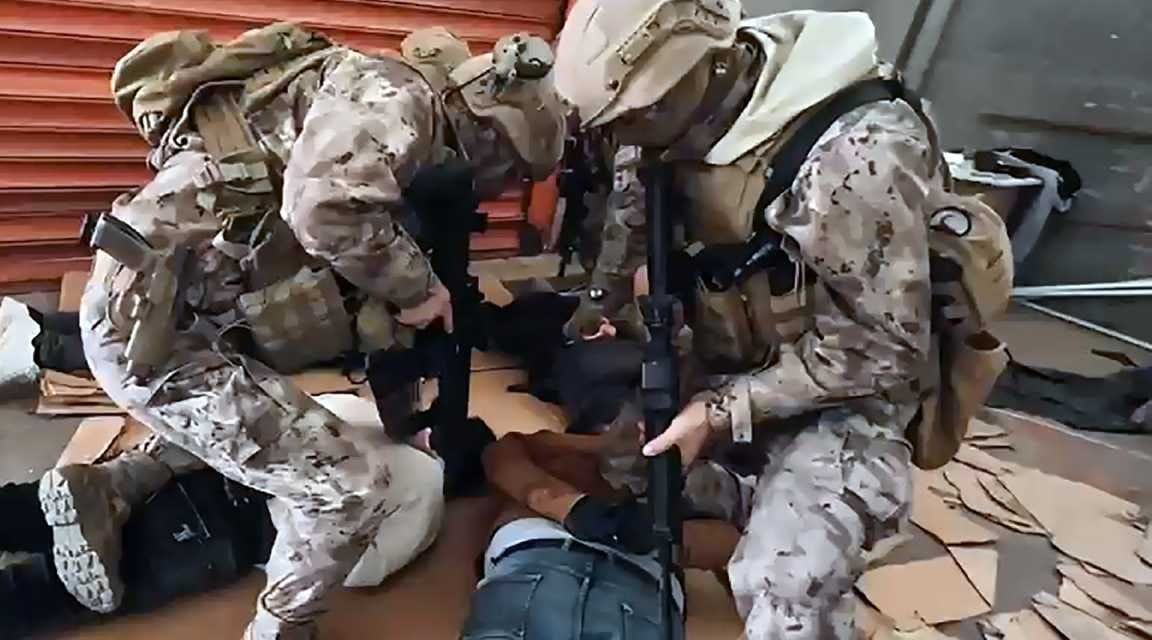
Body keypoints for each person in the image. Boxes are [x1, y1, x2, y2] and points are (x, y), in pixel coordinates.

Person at [70, 22, 565, 640]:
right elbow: (322, 210)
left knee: (270, 406)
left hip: (170, 310)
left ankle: (114, 485)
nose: (498, 186)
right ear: (493, 138)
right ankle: (279, 629)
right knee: (349, 491)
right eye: (511, 171)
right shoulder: (401, 101)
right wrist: (417, 288)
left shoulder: (363, 91)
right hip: (153, 340)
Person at [555, 1, 944, 637]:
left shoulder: (856, 154)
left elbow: (883, 350)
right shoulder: (659, 120)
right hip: (730, 355)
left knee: (782, 584)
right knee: (630, 463)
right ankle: (756, 497)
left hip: (846, 394)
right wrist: (599, 304)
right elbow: (631, 220)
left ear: (702, 66)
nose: (626, 137)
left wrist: (716, 413)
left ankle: (804, 517)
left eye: (637, 117)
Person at [0, 395, 447, 640]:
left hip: (184, 477)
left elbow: (244, 419)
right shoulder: (427, 499)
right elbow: (353, 570)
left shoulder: (358, 410)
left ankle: (102, 494)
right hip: (222, 532)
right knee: (27, 594)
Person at [466, 418, 742, 640]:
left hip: (639, 587)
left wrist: (662, 536)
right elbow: (500, 453)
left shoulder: (684, 478)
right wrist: (568, 503)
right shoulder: (559, 458)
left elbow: (734, 544)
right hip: (541, 556)